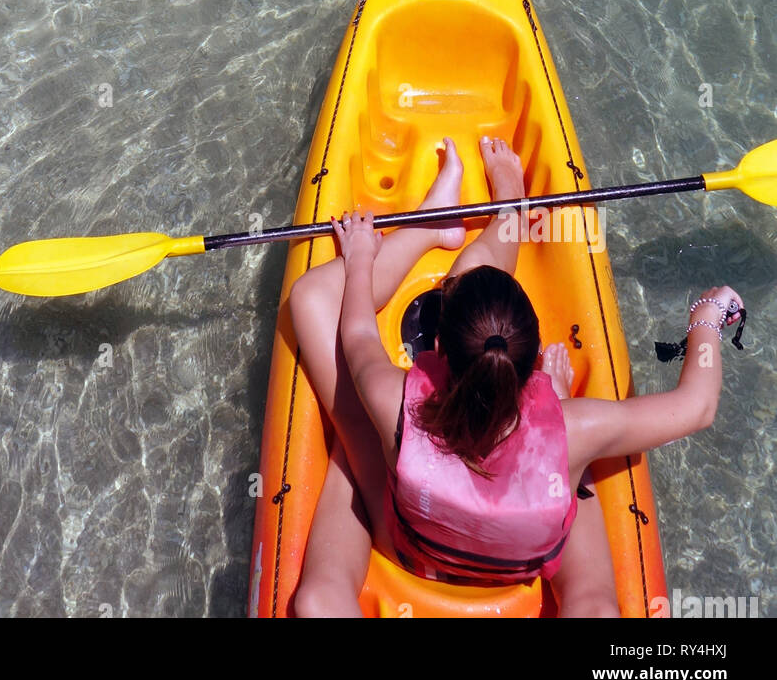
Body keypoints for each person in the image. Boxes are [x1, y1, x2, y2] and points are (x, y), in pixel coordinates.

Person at [288, 136, 743, 618]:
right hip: (521, 562)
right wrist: (708, 316)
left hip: (418, 550)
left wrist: (361, 257)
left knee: (320, 593)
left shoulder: (391, 398)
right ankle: (510, 213)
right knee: (594, 604)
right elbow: (697, 408)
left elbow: (355, 327)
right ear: (530, 372)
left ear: (438, 347)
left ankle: (443, 223)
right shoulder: (576, 428)